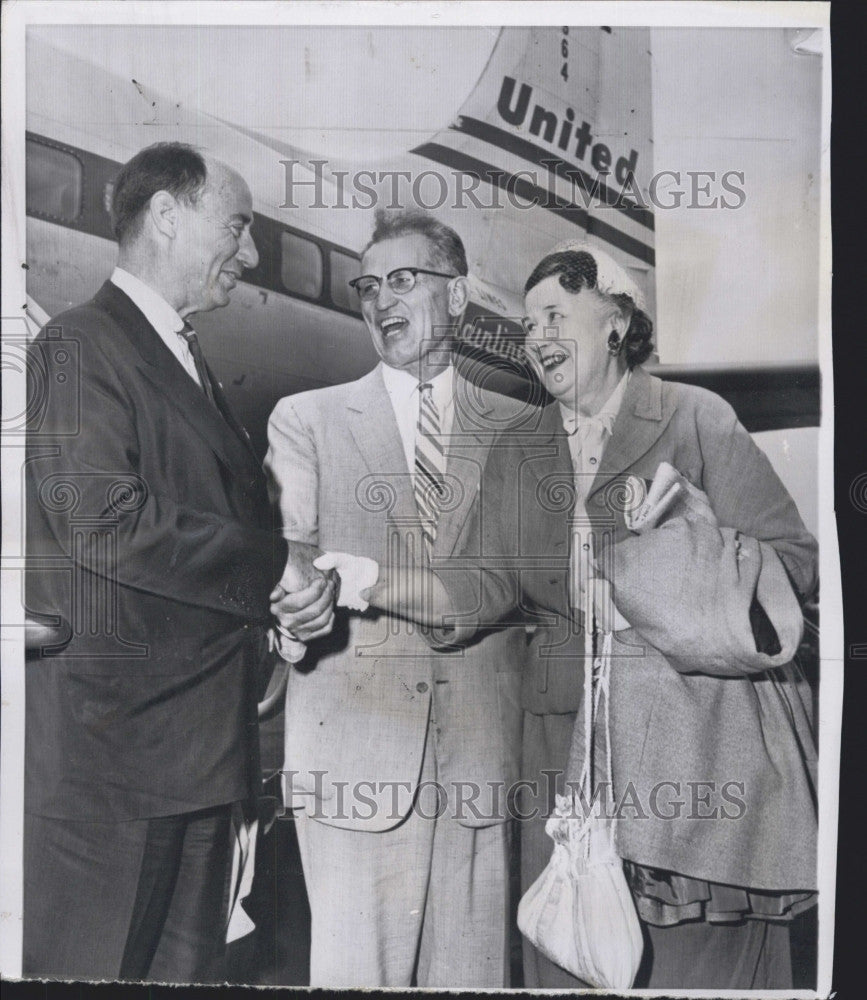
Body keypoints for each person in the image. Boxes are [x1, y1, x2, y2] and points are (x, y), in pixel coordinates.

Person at [365, 243, 819, 990]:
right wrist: (369, 583)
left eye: (554, 315)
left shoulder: (693, 417)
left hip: (692, 749)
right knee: (568, 954)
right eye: (526, 323)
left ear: (615, 323)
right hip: (563, 751)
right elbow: (481, 583)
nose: (535, 336)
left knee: (695, 966)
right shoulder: (519, 445)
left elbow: (789, 560)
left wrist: (692, 555)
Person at [23, 142, 334, 983]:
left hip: (195, 754)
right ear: (167, 216)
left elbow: (207, 535)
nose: (254, 253)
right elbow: (101, 518)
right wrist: (273, 569)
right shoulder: (80, 343)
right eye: (237, 225)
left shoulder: (180, 356)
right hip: (117, 772)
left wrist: (282, 600)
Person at [263, 209, 526, 988]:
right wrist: (291, 607)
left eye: (404, 279)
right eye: (368, 286)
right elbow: (293, 550)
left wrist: (369, 583)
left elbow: (515, 580)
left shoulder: (522, 429)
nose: (381, 300)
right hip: (351, 759)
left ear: (459, 296)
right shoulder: (305, 418)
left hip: (478, 762)